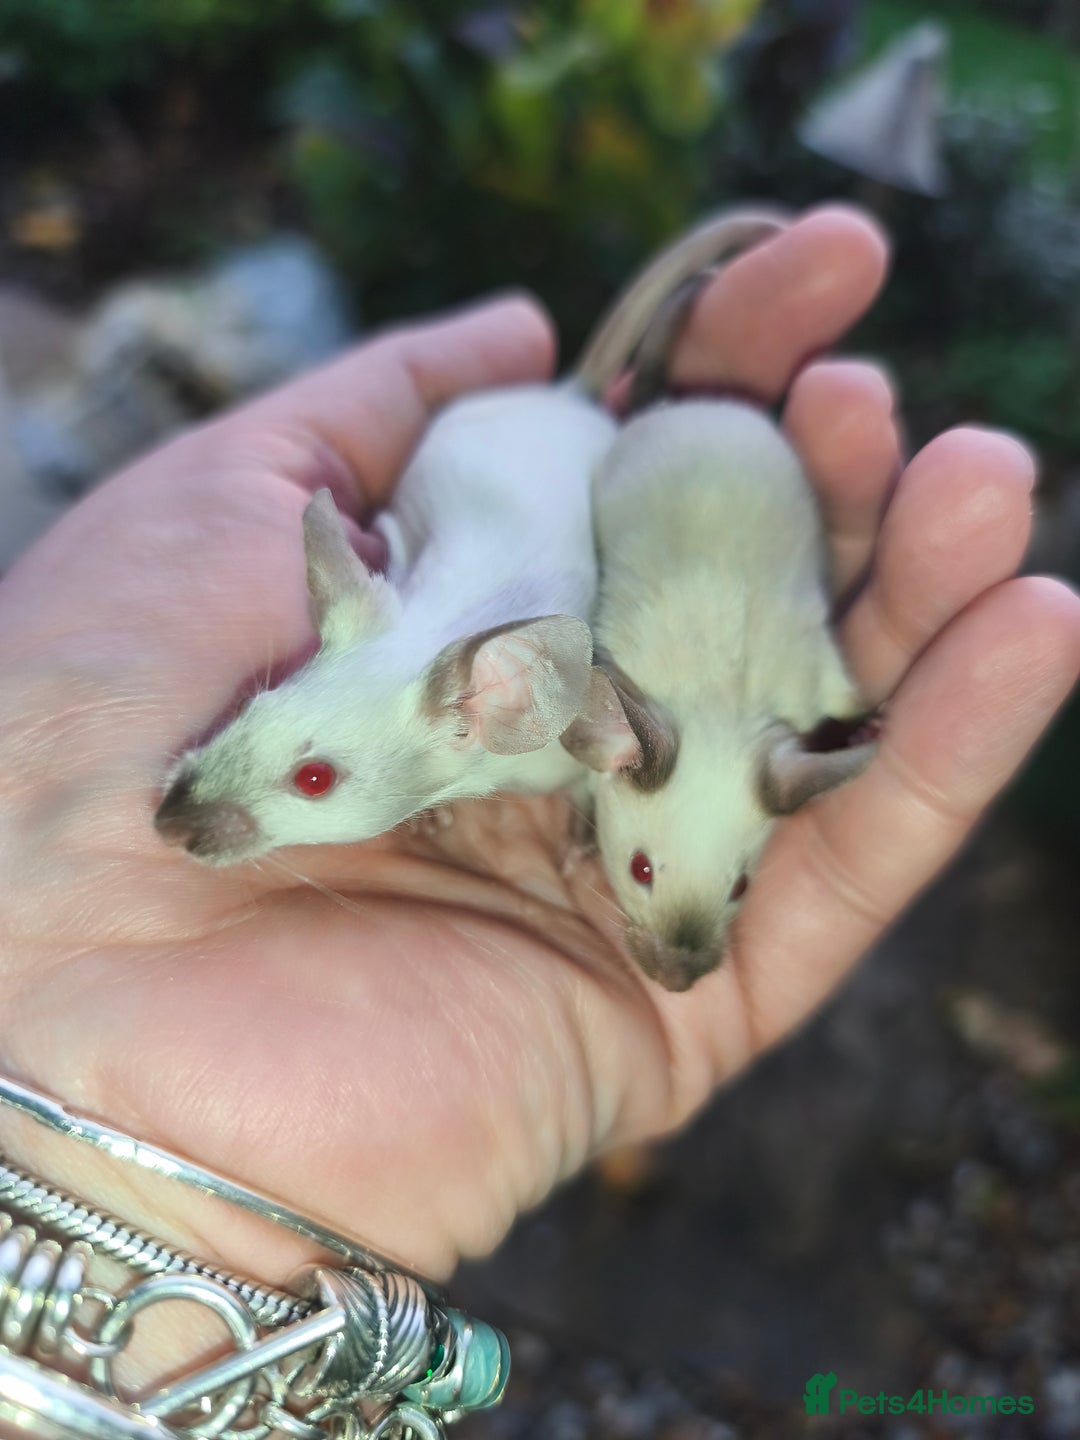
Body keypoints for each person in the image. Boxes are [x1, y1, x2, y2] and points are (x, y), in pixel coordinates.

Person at [0, 207, 1077, 1388]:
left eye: (308, 783)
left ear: (493, 708)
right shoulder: (394, 631)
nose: (204, 813)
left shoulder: (527, 707)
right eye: (279, 750)